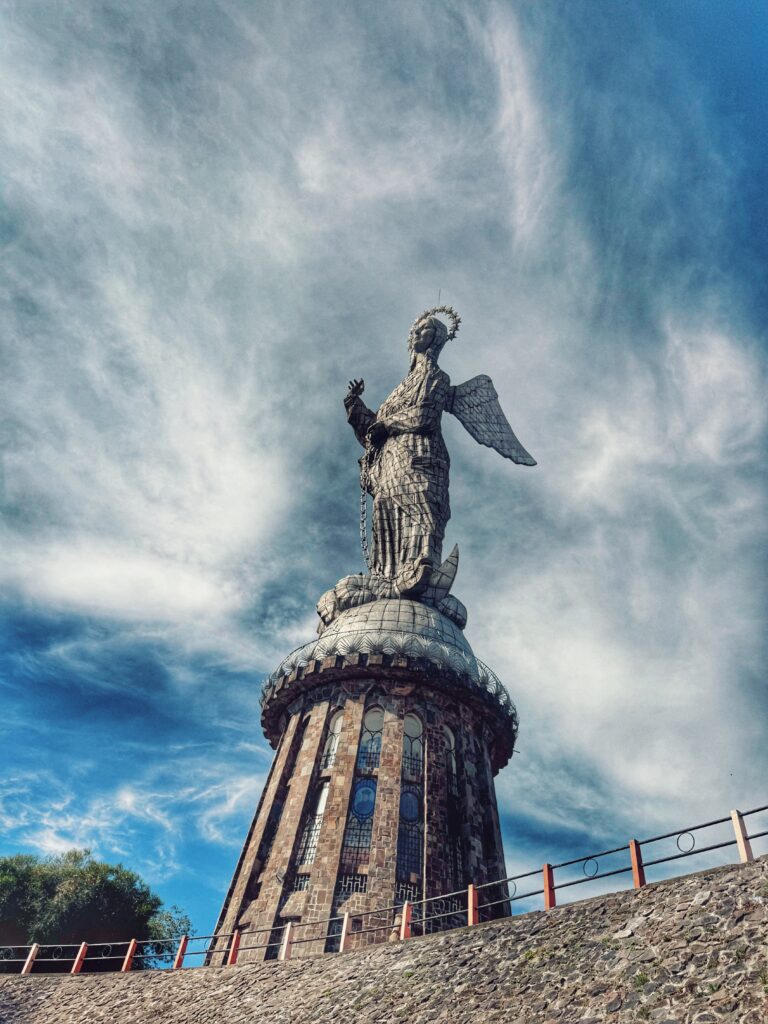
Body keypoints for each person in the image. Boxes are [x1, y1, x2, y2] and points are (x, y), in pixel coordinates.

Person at [344, 315, 452, 596]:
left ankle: (421, 568)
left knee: (421, 506)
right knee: (385, 509)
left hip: (419, 454)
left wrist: (388, 425)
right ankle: (387, 576)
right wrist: (355, 405)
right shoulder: (399, 390)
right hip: (390, 461)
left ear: (437, 337)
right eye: (415, 329)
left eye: (425, 329)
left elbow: (426, 415)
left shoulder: (436, 377)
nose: (417, 332)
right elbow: (374, 430)